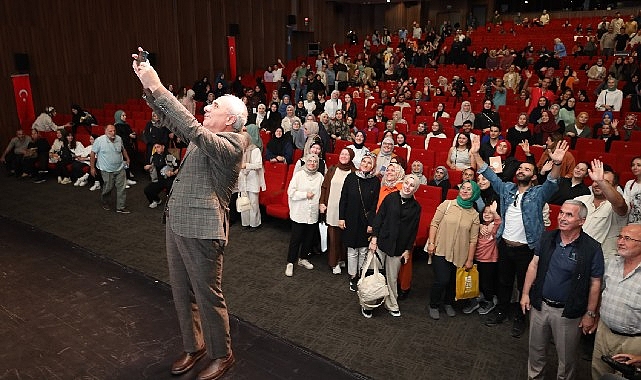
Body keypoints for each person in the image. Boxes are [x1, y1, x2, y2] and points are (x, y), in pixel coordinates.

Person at [133, 52, 249, 380]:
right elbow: (174, 120)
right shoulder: (209, 138)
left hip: (203, 229)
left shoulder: (233, 143)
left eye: (215, 106)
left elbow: (191, 127)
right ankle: (194, 345)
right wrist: (149, 86)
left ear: (230, 120)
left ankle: (221, 354)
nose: (207, 107)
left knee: (207, 294)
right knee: (181, 291)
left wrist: (158, 85)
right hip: (178, 222)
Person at [469, 136, 569, 338]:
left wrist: (557, 163)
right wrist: (476, 153)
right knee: (504, 282)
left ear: (533, 176)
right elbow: (487, 172)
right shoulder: (506, 189)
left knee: (525, 284)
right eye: (520, 169)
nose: (521, 171)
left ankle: (521, 318)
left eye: (527, 169)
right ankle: (501, 311)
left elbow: (552, 181)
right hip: (505, 246)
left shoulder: (539, 193)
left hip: (527, 249)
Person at [520, 200, 604, 380]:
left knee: (566, 359)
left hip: (567, 314)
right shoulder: (547, 237)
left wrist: (590, 313)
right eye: (561, 213)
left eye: (569, 215)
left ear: (581, 221)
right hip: (540, 306)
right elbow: (533, 266)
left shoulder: (592, 248)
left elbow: (595, 283)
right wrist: (526, 293)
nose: (562, 218)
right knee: (536, 352)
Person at [364, 174, 421, 318]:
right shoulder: (390, 198)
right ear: (403, 183)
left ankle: (391, 304)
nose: (408, 187)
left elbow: (413, 230)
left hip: (398, 248)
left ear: (416, 189)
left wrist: (408, 249)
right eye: (406, 183)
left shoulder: (416, 207)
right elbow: (379, 217)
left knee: (392, 278)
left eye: (412, 185)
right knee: (373, 275)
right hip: (381, 242)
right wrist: (374, 238)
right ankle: (368, 304)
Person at [425, 180, 481, 319]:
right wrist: (431, 243)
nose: (465, 191)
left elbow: (473, 240)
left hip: (461, 254)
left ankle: (448, 303)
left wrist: (469, 259)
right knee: (442, 279)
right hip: (441, 249)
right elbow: (434, 224)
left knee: (452, 282)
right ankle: (433, 304)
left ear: (474, 194)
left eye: (469, 189)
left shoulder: (474, 215)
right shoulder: (447, 204)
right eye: (463, 188)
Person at [591, 224, 641, 379]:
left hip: (633, 342)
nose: (620, 242)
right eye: (620, 237)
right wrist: (594, 316)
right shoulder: (611, 263)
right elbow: (601, 292)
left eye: (627, 238)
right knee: (598, 373)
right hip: (603, 333)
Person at [339, 153, 380, 291]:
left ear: (373, 166)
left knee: (363, 250)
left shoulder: (375, 181)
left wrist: (371, 223)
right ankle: (352, 276)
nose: (366, 164)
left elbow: (374, 205)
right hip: (350, 218)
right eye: (364, 161)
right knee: (352, 250)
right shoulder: (351, 177)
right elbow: (343, 199)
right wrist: (341, 217)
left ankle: (361, 275)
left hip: (365, 221)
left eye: (369, 163)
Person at [574, 160, 628, 260]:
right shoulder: (579, 200)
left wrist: (601, 181)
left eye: (605, 182)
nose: (598, 184)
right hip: (574, 255)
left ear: (615, 187)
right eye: (595, 181)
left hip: (603, 260)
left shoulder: (619, 203)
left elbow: (619, 204)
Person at [285, 153, 323, 277]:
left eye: (315, 162)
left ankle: (303, 258)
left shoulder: (320, 176)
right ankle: (290, 262)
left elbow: (322, 194)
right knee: (296, 239)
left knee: (309, 238)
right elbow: (290, 192)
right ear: (306, 162)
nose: (312, 163)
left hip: (312, 213)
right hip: (299, 212)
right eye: (310, 161)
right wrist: (304, 195)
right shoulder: (299, 175)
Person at [320, 148, 356, 274]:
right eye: (342, 154)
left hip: (346, 211)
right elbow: (324, 187)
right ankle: (333, 263)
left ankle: (341, 259)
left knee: (344, 238)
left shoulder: (354, 172)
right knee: (334, 239)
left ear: (351, 157)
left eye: (347, 154)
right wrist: (322, 203)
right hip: (332, 209)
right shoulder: (332, 169)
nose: (344, 156)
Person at [90, 124, 131, 213]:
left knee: (122, 188)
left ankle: (120, 207)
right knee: (108, 188)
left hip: (120, 168)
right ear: (105, 132)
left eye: (114, 131)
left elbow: (123, 149)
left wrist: (127, 158)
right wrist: (92, 168)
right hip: (106, 169)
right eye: (110, 131)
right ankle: (105, 201)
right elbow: (92, 153)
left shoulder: (119, 139)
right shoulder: (99, 140)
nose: (113, 133)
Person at [237, 125, 265, 230]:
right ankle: (245, 223)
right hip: (242, 179)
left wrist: (246, 165)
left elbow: (258, 165)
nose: (243, 143)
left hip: (253, 179)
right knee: (244, 202)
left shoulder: (255, 150)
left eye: (244, 140)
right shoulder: (240, 151)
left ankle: (254, 223)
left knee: (253, 203)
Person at [143, 143, 178, 208]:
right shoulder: (153, 157)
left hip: (169, 178)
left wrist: (172, 173)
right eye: (155, 147)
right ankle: (156, 200)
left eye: (158, 147)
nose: (157, 149)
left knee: (169, 186)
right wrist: (149, 167)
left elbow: (178, 168)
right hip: (159, 179)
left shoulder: (170, 155)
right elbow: (152, 166)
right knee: (147, 190)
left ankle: (171, 203)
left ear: (163, 147)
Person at [113, 110, 138, 186]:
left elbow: (130, 133)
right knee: (123, 162)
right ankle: (124, 180)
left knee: (127, 161)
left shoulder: (126, 125)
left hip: (128, 146)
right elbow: (118, 137)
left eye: (125, 115)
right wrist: (129, 135)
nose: (125, 117)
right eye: (123, 116)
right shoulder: (116, 126)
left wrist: (133, 135)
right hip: (121, 146)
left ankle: (127, 176)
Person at [624, 157, 641, 224]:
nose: (635, 167)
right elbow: (626, 204)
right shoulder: (629, 184)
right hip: (632, 223)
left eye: (639, 165)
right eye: (633, 165)